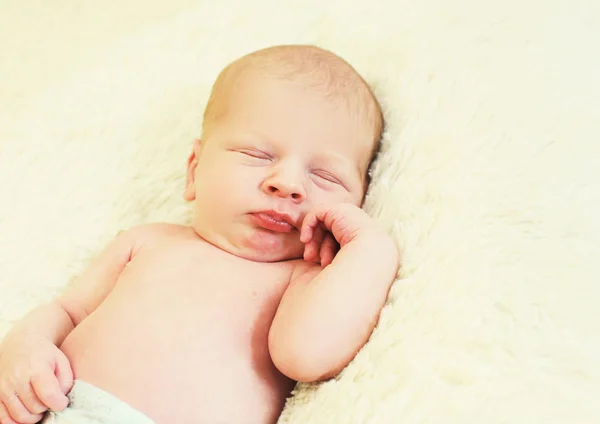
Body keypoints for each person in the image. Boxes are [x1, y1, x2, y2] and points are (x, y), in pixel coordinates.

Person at [0, 44, 398, 424]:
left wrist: (370, 248)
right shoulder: (147, 241)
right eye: (257, 155)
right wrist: (23, 346)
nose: (289, 183)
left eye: (325, 176)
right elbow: (67, 311)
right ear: (194, 170)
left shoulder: (302, 280)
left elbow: (307, 355)